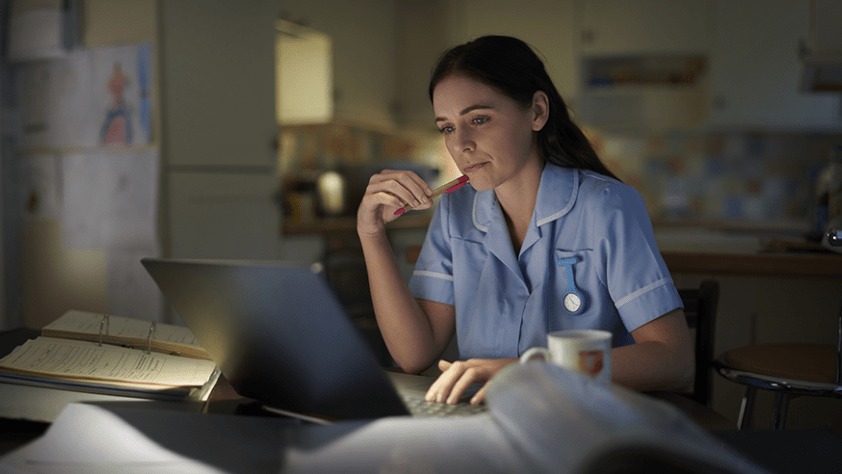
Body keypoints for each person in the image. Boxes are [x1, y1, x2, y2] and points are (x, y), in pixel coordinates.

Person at [356, 35, 693, 406]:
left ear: (536, 112)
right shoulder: (454, 212)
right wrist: (370, 234)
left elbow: (673, 359)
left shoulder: (607, 206)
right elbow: (413, 355)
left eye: (479, 119)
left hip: (587, 428)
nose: (460, 144)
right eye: (448, 127)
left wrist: (529, 370)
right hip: (488, 428)